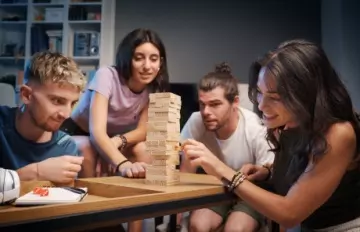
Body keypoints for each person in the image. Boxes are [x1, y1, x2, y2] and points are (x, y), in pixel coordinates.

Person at [182, 39, 360, 231]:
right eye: (260, 92)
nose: (261, 105)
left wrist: (221, 170)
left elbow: (290, 213)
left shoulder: (339, 133)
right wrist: (269, 171)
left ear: (307, 94)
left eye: (275, 97)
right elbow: (305, 168)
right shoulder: (290, 123)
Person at [60, 28, 169, 232]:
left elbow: (143, 129)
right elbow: (96, 131)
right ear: (128, 59)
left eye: (154, 59)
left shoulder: (154, 87)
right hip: (82, 131)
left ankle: (134, 227)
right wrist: (122, 163)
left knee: (143, 150)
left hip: (114, 137)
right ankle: (92, 221)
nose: (147, 66)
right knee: (86, 148)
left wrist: (118, 142)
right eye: (139, 58)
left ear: (160, 62)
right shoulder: (106, 75)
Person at [178, 63, 274, 232]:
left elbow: (269, 171)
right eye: (202, 104)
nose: (206, 111)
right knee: (197, 225)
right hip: (216, 190)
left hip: (249, 193)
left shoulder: (254, 128)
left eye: (215, 104)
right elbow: (184, 172)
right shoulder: (196, 121)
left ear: (235, 102)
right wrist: (177, 223)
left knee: (235, 229)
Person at [0, 51, 86, 184]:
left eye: (73, 103)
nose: (66, 114)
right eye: (57, 101)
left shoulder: (66, 147)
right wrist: (37, 172)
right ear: (26, 95)